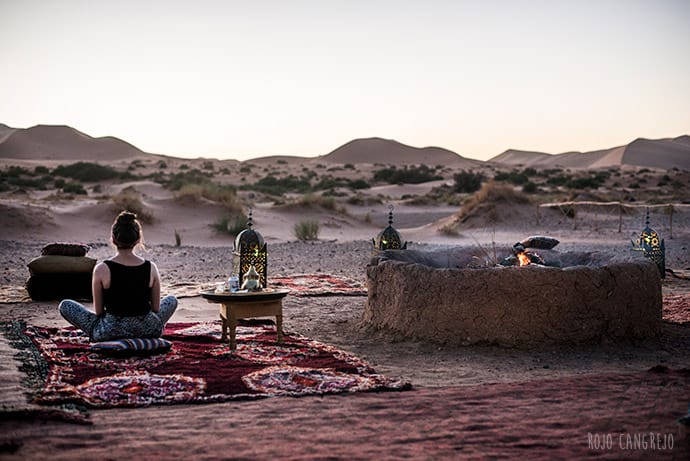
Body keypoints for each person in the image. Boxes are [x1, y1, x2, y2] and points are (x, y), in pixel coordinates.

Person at [59, 211, 177, 342]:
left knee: (65, 305)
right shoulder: (151, 268)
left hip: (110, 331)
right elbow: (156, 308)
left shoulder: (101, 269)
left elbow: (98, 312)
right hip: (148, 329)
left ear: (113, 238)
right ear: (138, 239)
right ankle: (147, 333)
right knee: (172, 300)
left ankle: (102, 335)